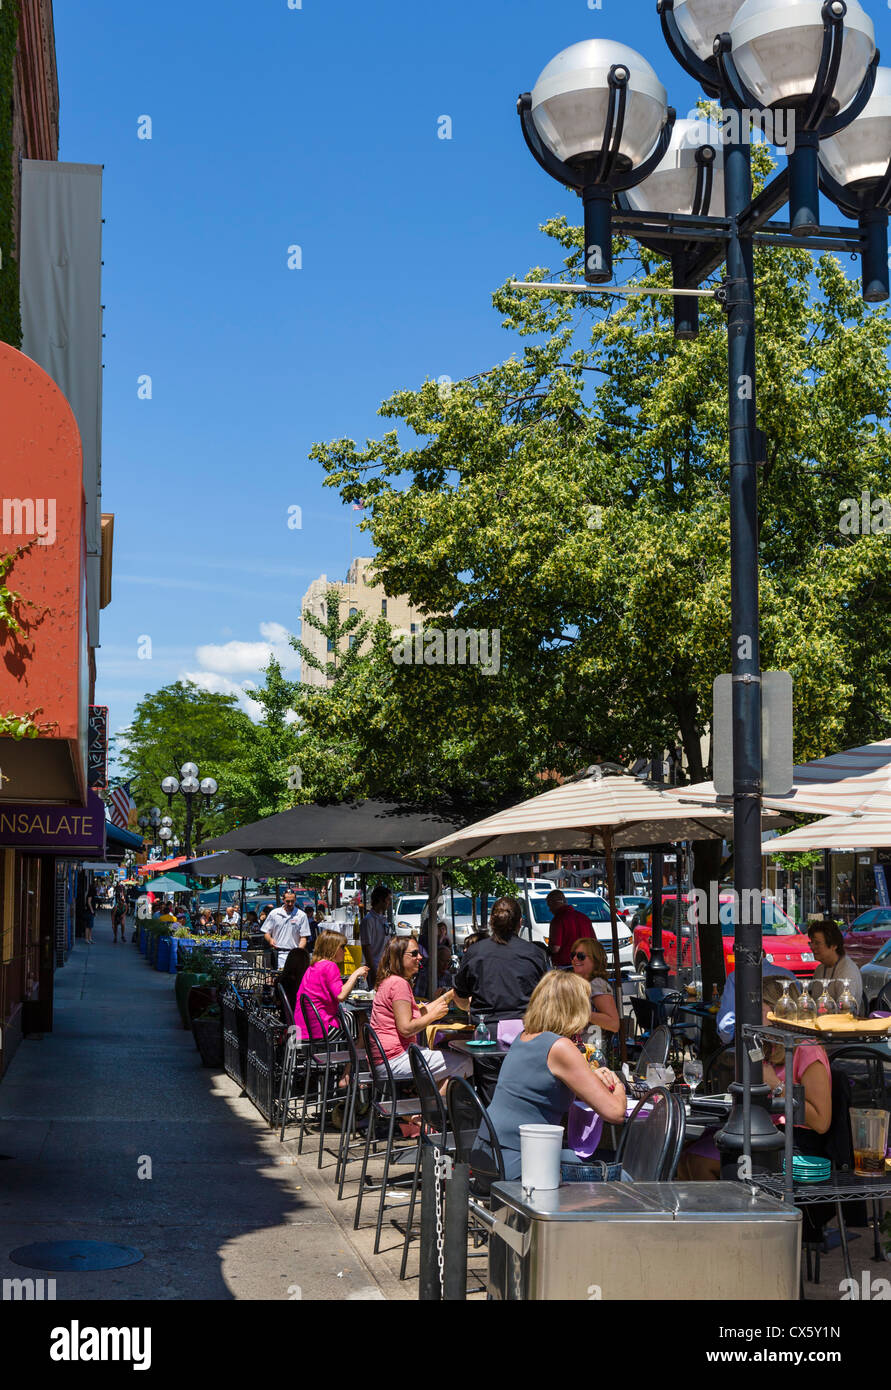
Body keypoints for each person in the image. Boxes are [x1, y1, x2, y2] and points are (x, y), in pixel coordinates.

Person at [680, 977, 832, 1181]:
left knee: (699, 1162)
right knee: (684, 1154)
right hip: (762, 1132)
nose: (747, 1014)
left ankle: (735, 1212)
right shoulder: (769, 1044)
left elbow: (821, 1122)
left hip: (794, 1143)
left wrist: (777, 1086)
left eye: (755, 1007)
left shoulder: (806, 1049)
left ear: (777, 1010)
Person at [482, 971, 627, 1182]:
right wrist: (617, 1082)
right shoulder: (561, 1047)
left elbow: (546, 1081)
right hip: (519, 1163)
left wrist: (591, 1074)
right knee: (625, 1180)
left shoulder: (525, 1037)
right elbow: (615, 1113)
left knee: (578, 1158)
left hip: (489, 1154)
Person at [453, 897, 550, 1103]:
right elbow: (548, 997)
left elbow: (459, 995)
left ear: (491, 922)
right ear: (520, 922)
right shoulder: (534, 953)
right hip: (527, 1033)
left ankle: (496, 1132)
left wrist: (471, 1009)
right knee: (527, 1093)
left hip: (488, 1034)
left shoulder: (475, 952)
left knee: (493, 1096)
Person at [369, 936, 473, 1095]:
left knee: (448, 1059)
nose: (420, 957)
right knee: (466, 1062)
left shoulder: (390, 980)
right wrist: (433, 1017)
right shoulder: (399, 984)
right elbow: (405, 1028)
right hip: (394, 1058)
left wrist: (451, 995)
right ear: (399, 957)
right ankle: (429, 1113)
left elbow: (420, 1012)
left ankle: (421, 1104)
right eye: (414, 953)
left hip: (385, 1057)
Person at [295, 931, 369, 1085]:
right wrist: (356, 973)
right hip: (322, 1029)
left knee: (353, 1020)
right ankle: (348, 1073)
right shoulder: (330, 966)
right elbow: (341, 995)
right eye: (343, 946)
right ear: (333, 948)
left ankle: (348, 1071)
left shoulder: (314, 967)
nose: (345, 950)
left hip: (305, 1028)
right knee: (363, 1023)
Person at [717, 949, 798, 1044]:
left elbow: (726, 1025)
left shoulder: (735, 977)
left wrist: (730, 1041)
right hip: (789, 1040)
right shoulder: (788, 974)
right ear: (764, 954)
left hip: (750, 1042)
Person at [569, 937, 620, 1046]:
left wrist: (582, 1014)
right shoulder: (579, 983)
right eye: (573, 955)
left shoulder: (597, 984)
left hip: (591, 1052)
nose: (575, 959)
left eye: (581, 956)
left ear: (595, 959)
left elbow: (613, 1024)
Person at [809, 919, 864, 1010]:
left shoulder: (847, 971)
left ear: (834, 945)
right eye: (811, 942)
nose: (812, 947)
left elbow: (845, 1010)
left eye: (817, 943)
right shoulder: (820, 969)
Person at [545, 889, 595, 967]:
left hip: (566, 966)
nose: (549, 910)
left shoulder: (558, 920)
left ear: (553, 903)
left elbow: (555, 948)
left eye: (549, 905)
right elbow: (594, 942)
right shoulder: (584, 918)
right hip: (585, 964)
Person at [264, 889, 310, 968]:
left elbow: (303, 937)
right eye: (287, 901)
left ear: (295, 900)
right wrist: (270, 940)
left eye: (292, 901)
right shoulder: (274, 913)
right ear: (283, 900)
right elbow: (266, 932)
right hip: (277, 953)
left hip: (293, 953)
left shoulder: (301, 915)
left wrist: (298, 951)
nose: (290, 903)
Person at [360, 885, 392, 979]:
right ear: (380, 900)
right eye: (388, 900)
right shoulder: (368, 920)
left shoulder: (383, 918)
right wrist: (373, 971)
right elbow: (366, 946)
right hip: (376, 967)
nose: (389, 903)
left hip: (386, 965)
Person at [277, 946, 311, 1015]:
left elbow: (278, 1003)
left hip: (286, 1018)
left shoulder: (280, 981)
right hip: (304, 1020)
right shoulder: (308, 982)